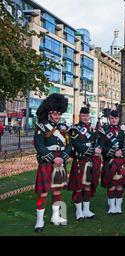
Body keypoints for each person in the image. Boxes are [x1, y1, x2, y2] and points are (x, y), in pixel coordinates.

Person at [33, 94, 71, 232]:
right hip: (47, 162)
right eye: (54, 113)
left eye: (59, 113)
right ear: (48, 113)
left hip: (60, 162)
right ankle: (39, 220)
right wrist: (52, 158)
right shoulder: (41, 127)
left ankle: (56, 217)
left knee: (57, 191)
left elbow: (69, 145)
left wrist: (63, 158)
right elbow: (39, 145)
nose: (57, 116)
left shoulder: (64, 127)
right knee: (43, 193)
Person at [68, 106, 102, 220]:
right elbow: (77, 145)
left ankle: (86, 210)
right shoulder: (74, 129)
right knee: (79, 187)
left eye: (87, 116)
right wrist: (93, 151)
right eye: (83, 115)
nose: (85, 118)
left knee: (88, 186)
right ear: (79, 116)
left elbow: (98, 142)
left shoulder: (93, 129)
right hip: (80, 161)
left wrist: (98, 148)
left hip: (90, 161)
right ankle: (79, 211)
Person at [99, 109, 125, 215]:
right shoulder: (104, 130)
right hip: (110, 161)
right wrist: (112, 152)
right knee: (111, 185)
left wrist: (122, 151)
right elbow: (101, 144)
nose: (113, 120)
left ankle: (118, 206)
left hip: (121, 160)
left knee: (120, 185)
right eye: (111, 118)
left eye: (115, 118)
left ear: (119, 118)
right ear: (109, 119)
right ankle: (112, 206)